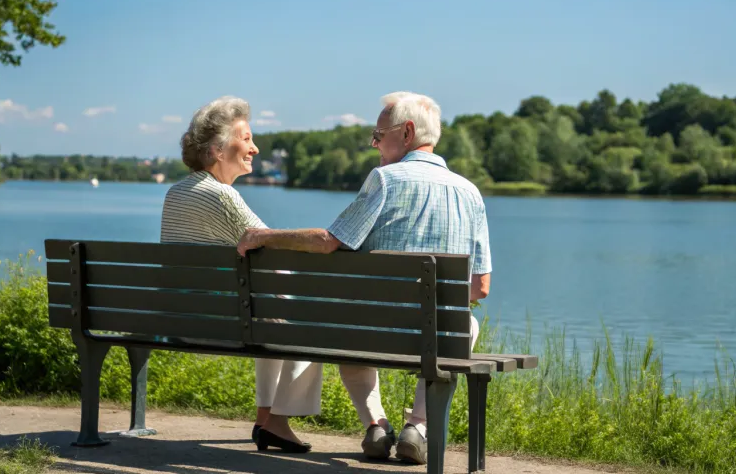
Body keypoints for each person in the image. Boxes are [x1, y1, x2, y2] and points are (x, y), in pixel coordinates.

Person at [237, 91, 491, 465]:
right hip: (439, 334)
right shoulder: (470, 193)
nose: (374, 144)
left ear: (406, 132)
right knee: (462, 326)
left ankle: (375, 425)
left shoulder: (385, 179)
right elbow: (480, 287)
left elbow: (330, 242)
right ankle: (418, 427)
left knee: (352, 323)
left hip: (371, 331)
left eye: (378, 134)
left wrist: (262, 236)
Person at [160, 95, 323, 453]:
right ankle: (277, 422)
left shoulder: (176, 193)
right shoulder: (222, 197)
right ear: (218, 150)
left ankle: (266, 419)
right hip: (224, 327)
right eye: (246, 138)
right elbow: (272, 245)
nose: (255, 147)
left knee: (272, 308)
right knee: (307, 322)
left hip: (181, 322)